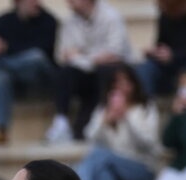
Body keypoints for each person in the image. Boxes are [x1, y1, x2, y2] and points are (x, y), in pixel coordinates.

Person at [76, 64, 160, 180]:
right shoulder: (104, 109)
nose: (122, 87)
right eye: (117, 83)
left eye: (126, 82)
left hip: (142, 168)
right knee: (104, 174)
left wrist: (126, 118)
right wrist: (105, 121)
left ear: (134, 84)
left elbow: (148, 143)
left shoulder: (146, 107)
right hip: (114, 167)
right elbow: (89, 136)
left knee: (101, 155)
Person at [46, 0, 132, 142]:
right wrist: (91, 58)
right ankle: (61, 121)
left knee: (104, 71)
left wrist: (83, 56)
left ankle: (99, 121)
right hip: (85, 74)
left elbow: (115, 52)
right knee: (65, 73)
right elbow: (62, 55)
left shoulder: (111, 16)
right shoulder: (69, 21)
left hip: (108, 75)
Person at [0, 0, 59, 145]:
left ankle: (1, 64)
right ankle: (2, 131)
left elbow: (44, 51)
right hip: (16, 83)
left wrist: (5, 49)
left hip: (41, 81)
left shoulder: (48, 21)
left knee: (35, 57)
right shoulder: (4, 20)